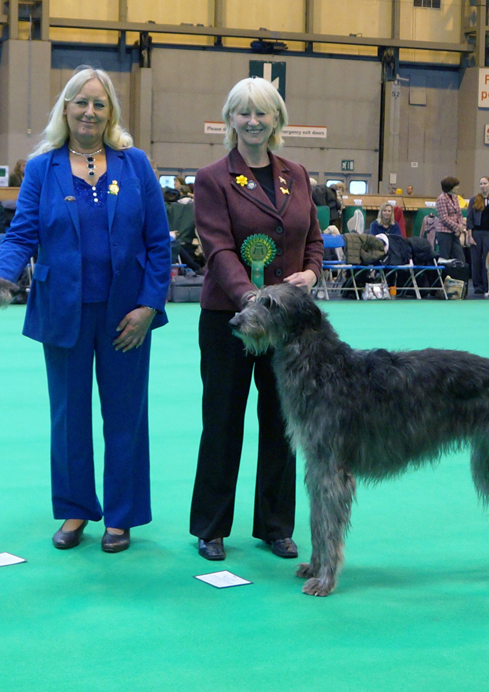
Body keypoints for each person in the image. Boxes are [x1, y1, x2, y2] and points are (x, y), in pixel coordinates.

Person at [0, 66, 171, 554]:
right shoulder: (42, 167)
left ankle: (122, 516)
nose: (89, 111)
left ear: (110, 112)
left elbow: (158, 243)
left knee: (125, 415)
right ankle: (75, 509)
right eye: (80, 102)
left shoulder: (135, 164)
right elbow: (23, 234)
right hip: (61, 311)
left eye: (99, 103)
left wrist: (150, 305)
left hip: (126, 314)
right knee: (68, 415)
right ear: (65, 108)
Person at [189, 77, 323, 562]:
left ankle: (274, 525)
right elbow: (218, 247)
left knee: (282, 421)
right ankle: (210, 526)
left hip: (287, 326)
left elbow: (311, 238)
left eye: (262, 113)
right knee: (222, 421)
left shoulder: (297, 173)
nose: (252, 121)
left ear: (277, 121)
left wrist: (310, 271)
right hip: (231, 319)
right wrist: (254, 300)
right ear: (230, 120)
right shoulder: (212, 178)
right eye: (243, 112)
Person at [467, 176, 489, 295]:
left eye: (485, 183)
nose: (482, 186)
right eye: (481, 184)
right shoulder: (474, 200)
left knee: (488, 260)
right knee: (476, 259)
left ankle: (488, 284)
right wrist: (469, 235)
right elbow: (470, 218)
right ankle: (477, 285)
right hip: (476, 233)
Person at [434, 177, 467, 262]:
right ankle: (443, 275)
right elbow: (444, 218)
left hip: (454, 233)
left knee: (460, 258)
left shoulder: (455, 197)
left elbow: (459, 213)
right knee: (444, 258)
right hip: (444, 232)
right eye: (456, 186)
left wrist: (460, 225)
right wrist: (457, 227)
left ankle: (457, 274)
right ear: (450, 187)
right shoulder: (441, 199)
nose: (458, 187)